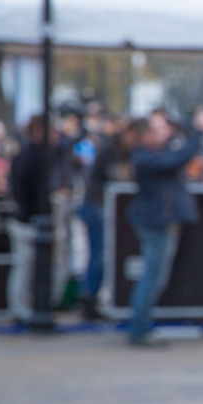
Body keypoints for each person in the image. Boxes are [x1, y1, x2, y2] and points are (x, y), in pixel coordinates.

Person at [127, 108, 203, 346]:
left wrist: (189, 127)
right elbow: (179, 158)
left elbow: (178, 150)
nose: (164, 133)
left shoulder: (154, 153)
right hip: (156, 223)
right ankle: (140, 329)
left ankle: (140, 326)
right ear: (146, 135)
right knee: (152, 277)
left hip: (160, 221)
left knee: (155, 276)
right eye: (157, 129)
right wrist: (199, 132)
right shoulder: (146, 157)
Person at [77, 119, 140, 319]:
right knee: (99, 255)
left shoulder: (122, 151)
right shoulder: (112, 151)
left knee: (101, 254)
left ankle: (91, 297)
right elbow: (120, 179)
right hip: (96, 206)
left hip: (99, 206)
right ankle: (89, 298)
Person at [6, 116, 49, 325]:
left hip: (27, 218)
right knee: (24, 267)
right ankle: (20, 308)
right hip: (27, 220)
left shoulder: (28, 155)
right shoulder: (31, 157)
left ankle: (24, 307)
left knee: (28, 268)